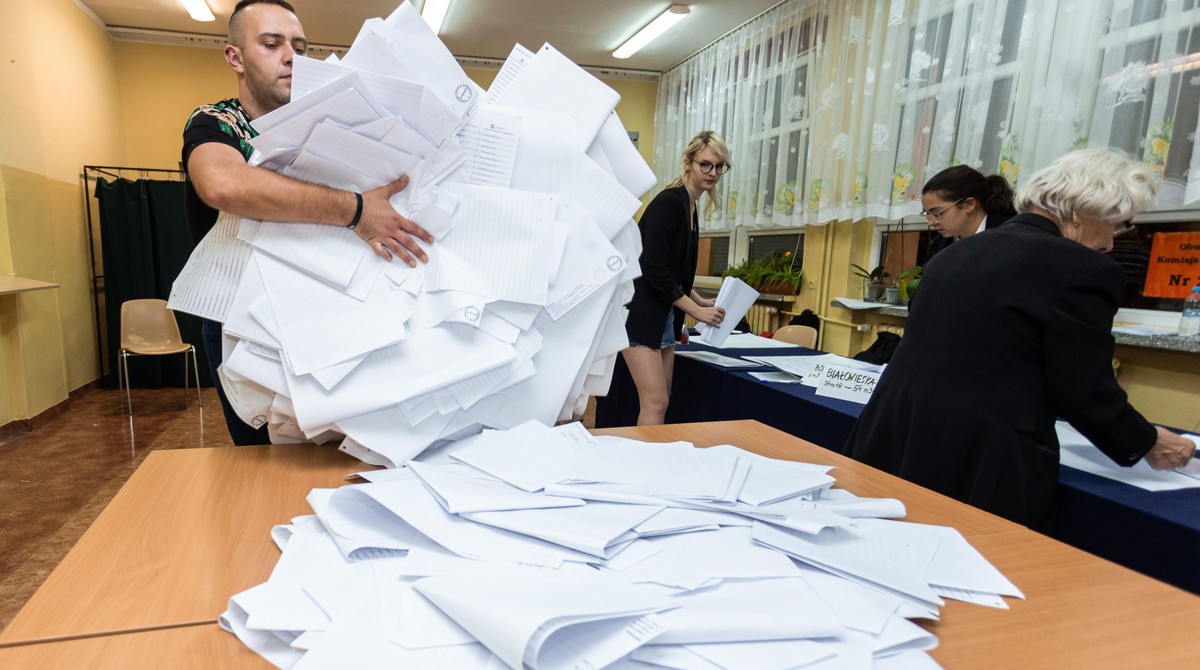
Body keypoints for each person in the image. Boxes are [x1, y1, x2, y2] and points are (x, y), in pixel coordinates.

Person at [843, 148, 1195, 530]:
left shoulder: (952, 255)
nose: (1111, 243)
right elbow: (1081, 388)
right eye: (1116, 223)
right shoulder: (1083, 269)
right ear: (1080, 211)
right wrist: (1147, 442)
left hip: (896, 438)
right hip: (980, 461)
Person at [182, 0, 433, 445]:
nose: (290, 56)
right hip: (240, 317)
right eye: (271, 44)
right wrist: (356, 210)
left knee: (338, 448)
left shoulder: (327, 122)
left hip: (323, 307)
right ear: (235, 57)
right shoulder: (219, 122)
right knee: (264, 454)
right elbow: (221, 183)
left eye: (299, 45)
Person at [622, 131, 729, 425]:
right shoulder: (670, 202)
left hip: (664, 314)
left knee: (662, 398)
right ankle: (643, 469)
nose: (713, 173)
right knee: (655, 402)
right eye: (705, 165)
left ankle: (651, 462)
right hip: (641, 315)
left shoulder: (691, 206)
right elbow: (653, 269)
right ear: (689, 163)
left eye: (720, 167)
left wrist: (698, 299)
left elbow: (674, 272)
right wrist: (695, 311)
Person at [920, 165, 1017, 262]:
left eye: (937, 213)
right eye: (927, 214)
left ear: (969, 204)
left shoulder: (1012, 238)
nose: (931, 222)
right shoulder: (938, 248)